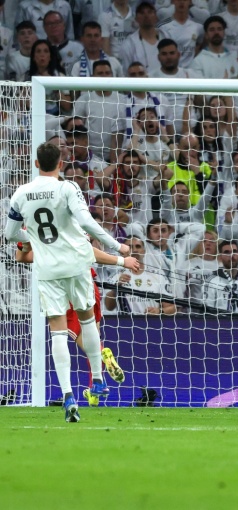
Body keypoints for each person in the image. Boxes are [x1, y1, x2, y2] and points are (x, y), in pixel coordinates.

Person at [4, 142, 131, 422]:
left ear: (36, 164)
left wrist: (32, 237)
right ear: (61, 164)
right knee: (88, 321)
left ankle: (68, 396)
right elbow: (86, 222)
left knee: (58, 332)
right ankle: (97, 380)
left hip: (48, 270)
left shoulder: (21, 194)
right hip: (76, 266)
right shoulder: (68, 188)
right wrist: (117, 247)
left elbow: (11, 234)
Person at [16, 241, 140, 405]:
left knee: (71, 338)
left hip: (61, 288)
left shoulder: (45, 234)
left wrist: (24, 244)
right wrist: (121, 258)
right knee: (93, 336)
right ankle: (95, 389)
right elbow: (89, 250)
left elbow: (22, 257)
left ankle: (76, 386)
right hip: (88, 284)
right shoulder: (76, 228)